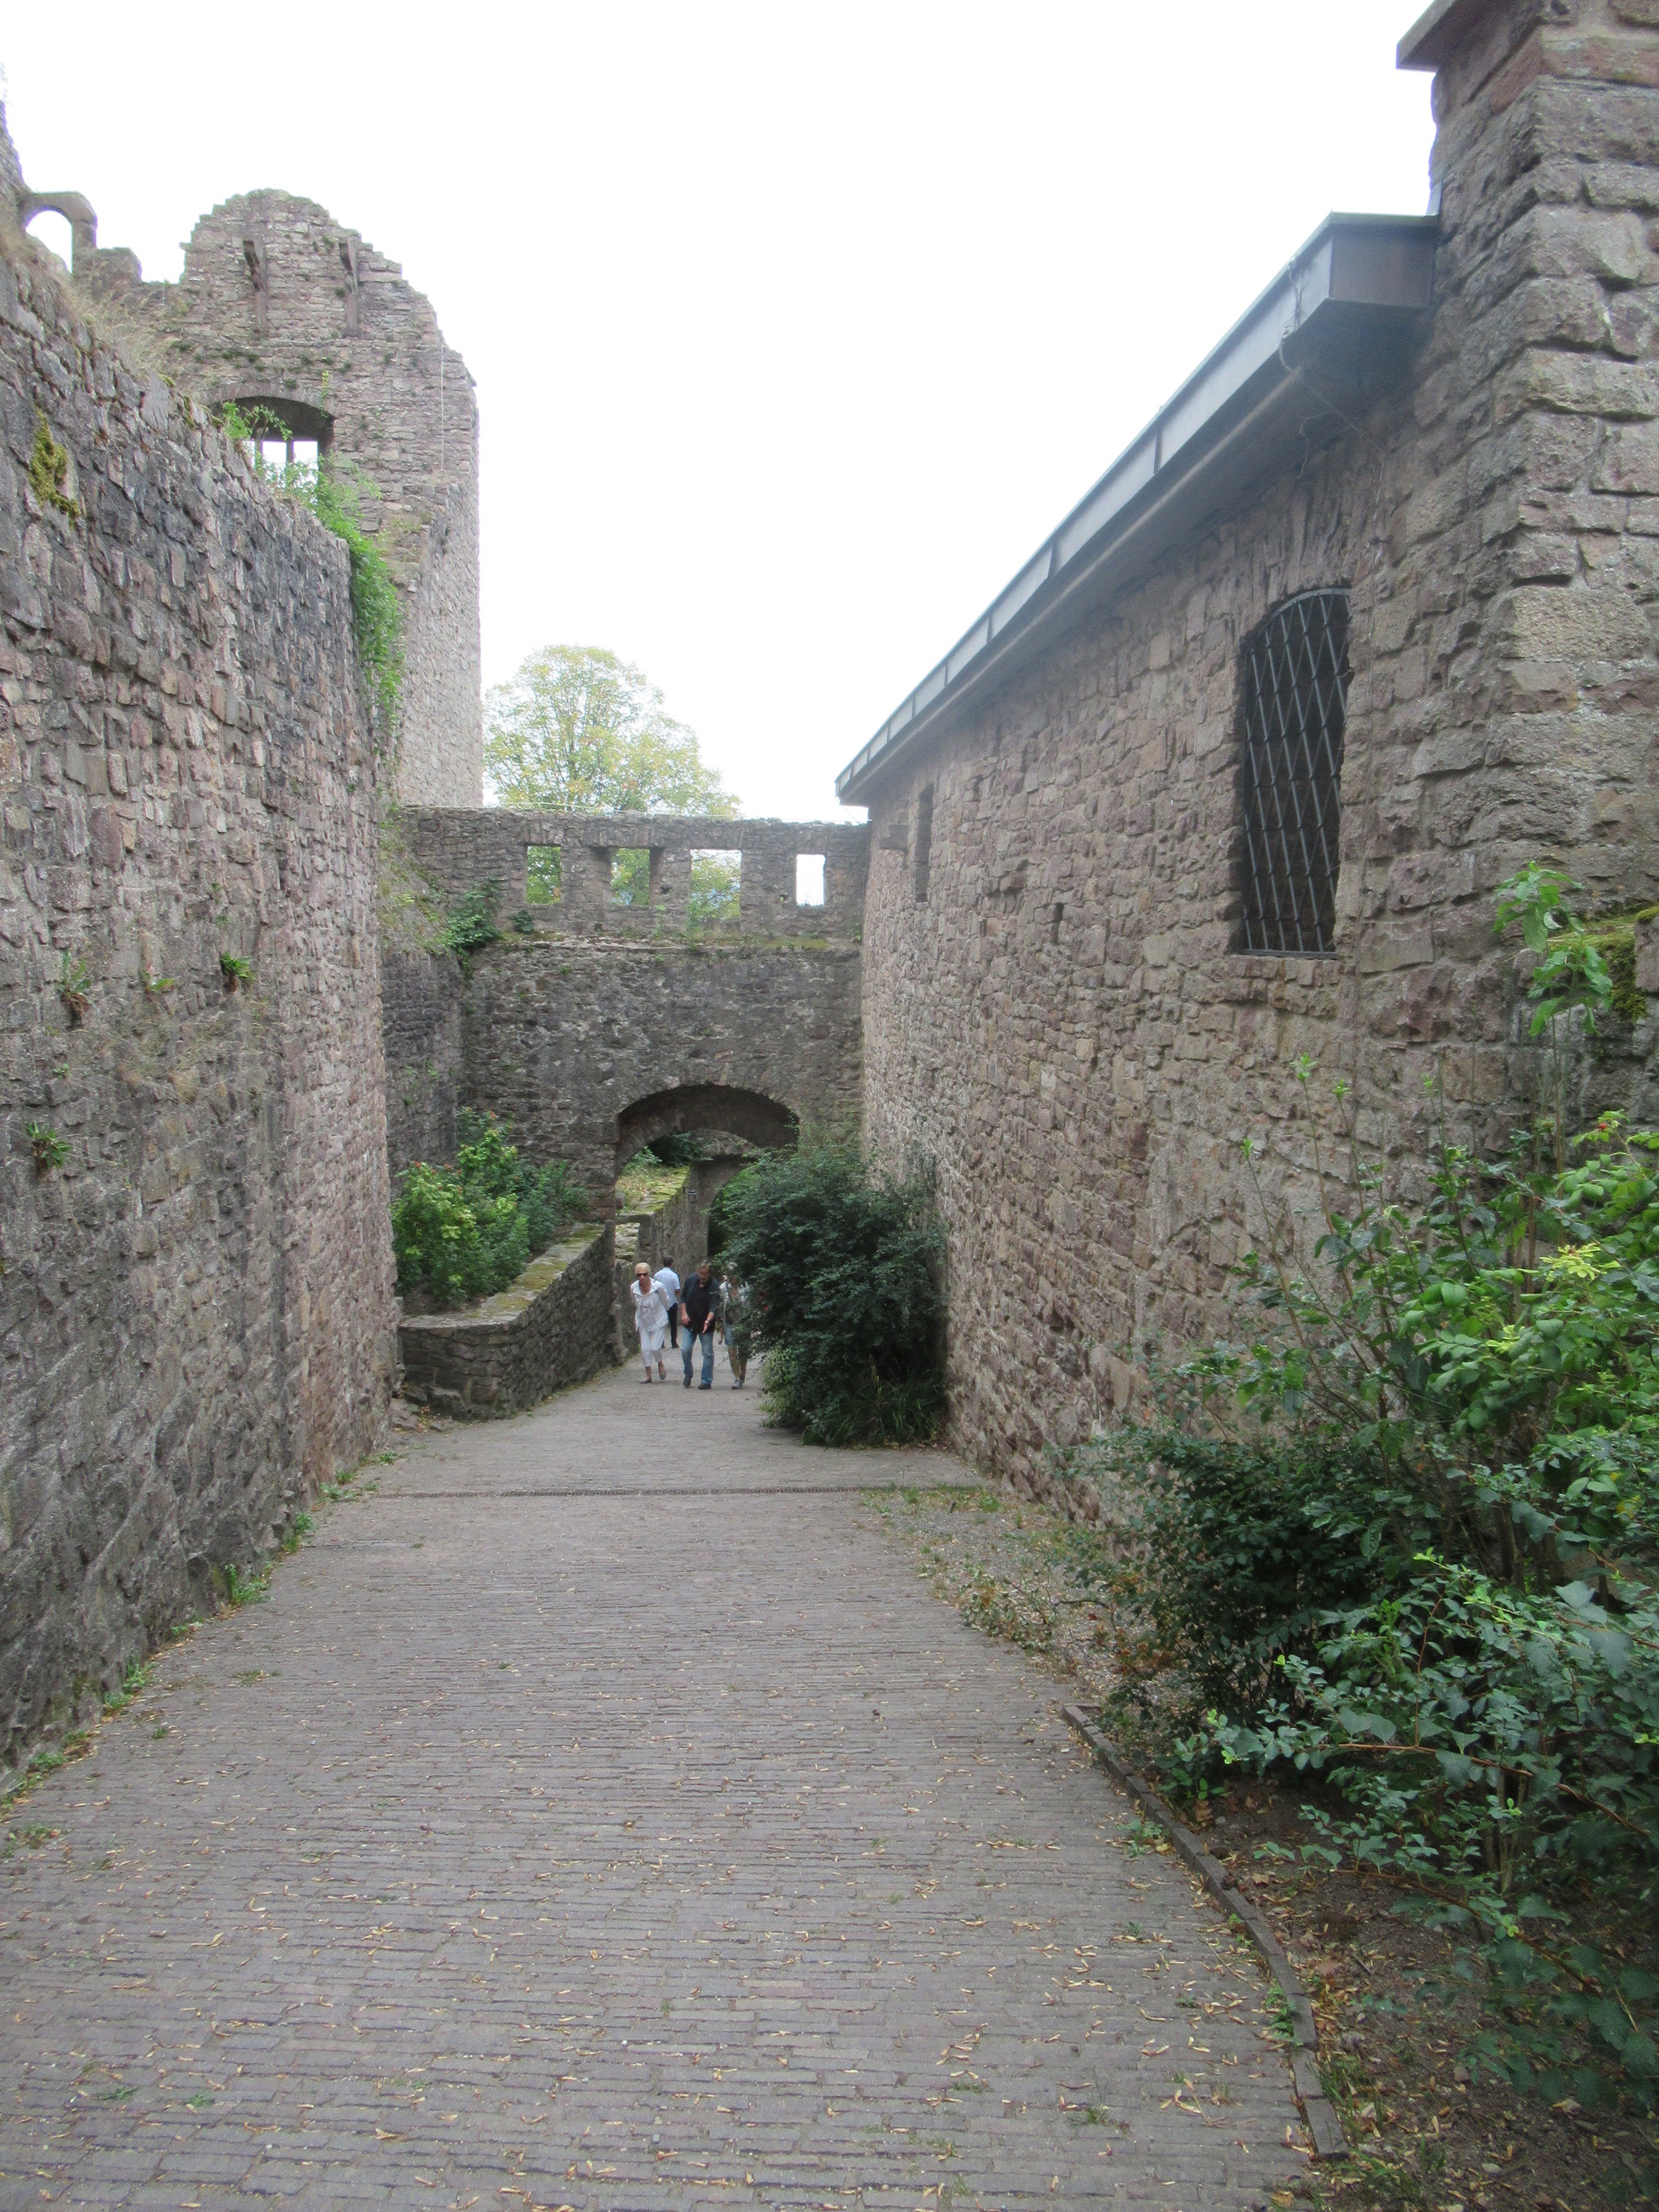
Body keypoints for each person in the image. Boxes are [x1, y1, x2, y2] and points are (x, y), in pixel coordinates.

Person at [679, 1259, 719, 1389]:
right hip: (690, 1322)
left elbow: (714, 1307)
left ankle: (706, 1380)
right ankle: (688, 1373)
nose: (702, 1276)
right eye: (700, 1273)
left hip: (705, 1325)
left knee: (707, 1353)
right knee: (685, 1350)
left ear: (710, 1273)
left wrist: (708, 1321)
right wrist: (684, 1314)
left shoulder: (714, 1286)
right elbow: (683, 1297)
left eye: (705, 1274)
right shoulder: (691, 1280)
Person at [631, 1262, 668, 1381]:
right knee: (645, 1348)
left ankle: (660, 1363)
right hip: (643, 1320)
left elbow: (665, 1300)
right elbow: (634, 1302)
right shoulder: (634, 1287)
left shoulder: (658, 1286)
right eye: (639, 1275)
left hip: (658, 1320)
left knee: (655, 1348)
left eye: (644, 1274)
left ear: (649, 1274)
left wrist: (666, 1312)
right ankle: (648, 1375)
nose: (642, 1277)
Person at [719, 1271, 752, 1389]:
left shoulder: (747, 1286)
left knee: (743, 1350)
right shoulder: (723, 1288)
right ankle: (737, 1377)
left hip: (744, 1321)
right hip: (729, 1322)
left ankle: (743, 1373)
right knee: (731, 1350)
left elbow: (751, 1304)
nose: (732, 1278)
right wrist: (721, 1326)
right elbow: (721, 1306)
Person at [653, 1256, 681, 1349]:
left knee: (660, 1323)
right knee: (673, 1323)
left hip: (660, 1302)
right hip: (672, 1301)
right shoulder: (674, 1275)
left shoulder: (657, 1275)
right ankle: (674, 1342)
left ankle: (661, 1342)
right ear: (671, 1264)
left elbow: (654, 1288)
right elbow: (677, 1289)